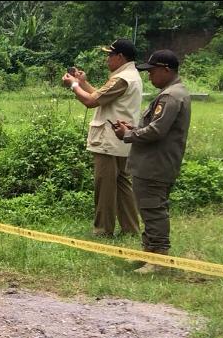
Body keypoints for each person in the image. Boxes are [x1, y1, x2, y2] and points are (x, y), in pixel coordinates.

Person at [112, 50, 191, 274]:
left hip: (155, 164)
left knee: (154, 210)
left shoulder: (171, 96)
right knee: (148, 209)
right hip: (153, 162)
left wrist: (127, 135)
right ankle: (149, 254)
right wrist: (133, 129)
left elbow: (156, 131)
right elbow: (155, 127)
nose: (150, 76)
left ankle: (159, 260)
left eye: (153, 71)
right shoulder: (173, 93)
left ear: (166, 70)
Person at [63, 39, 143, 238]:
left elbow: (92, 101)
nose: (107, 59)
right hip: (122, 140)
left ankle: (102, 231)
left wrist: (73, 85)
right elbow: (101, 97)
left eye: (109, 55)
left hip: (109, 140)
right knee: (123, 185)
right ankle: (131, 229)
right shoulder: (131, 76)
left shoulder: (121, 78)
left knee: (105, 185)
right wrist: (83, 83)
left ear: (120, 57)